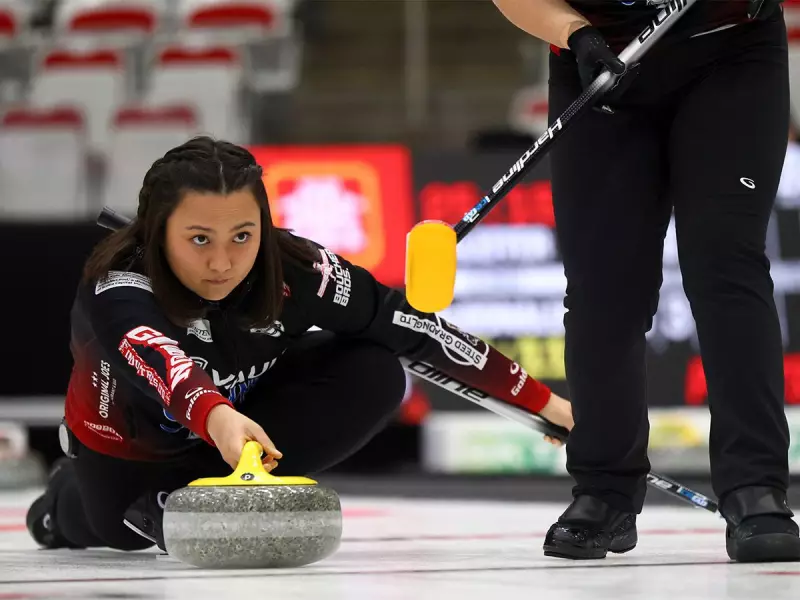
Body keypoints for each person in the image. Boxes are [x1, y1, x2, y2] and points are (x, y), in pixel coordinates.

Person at [25, 137, 574, 553]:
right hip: (130, 447)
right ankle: (63, 500)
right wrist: (215, 415)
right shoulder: (120, 282)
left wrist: (549, 407)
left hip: (241, 428)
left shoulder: (295, 268)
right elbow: (161, 361)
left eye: (242, 235)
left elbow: (411, 326)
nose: (222, 263)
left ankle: (187, 495)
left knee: (378, 369)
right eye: (199, 240)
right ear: (156, 231)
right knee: (115, 533)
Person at [491, 0, 800, 562]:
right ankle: (604, 490)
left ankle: (756, 488)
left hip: (731, 52)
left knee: (726, 265)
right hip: (606, 61)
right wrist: (574, 33)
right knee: (603, 282)